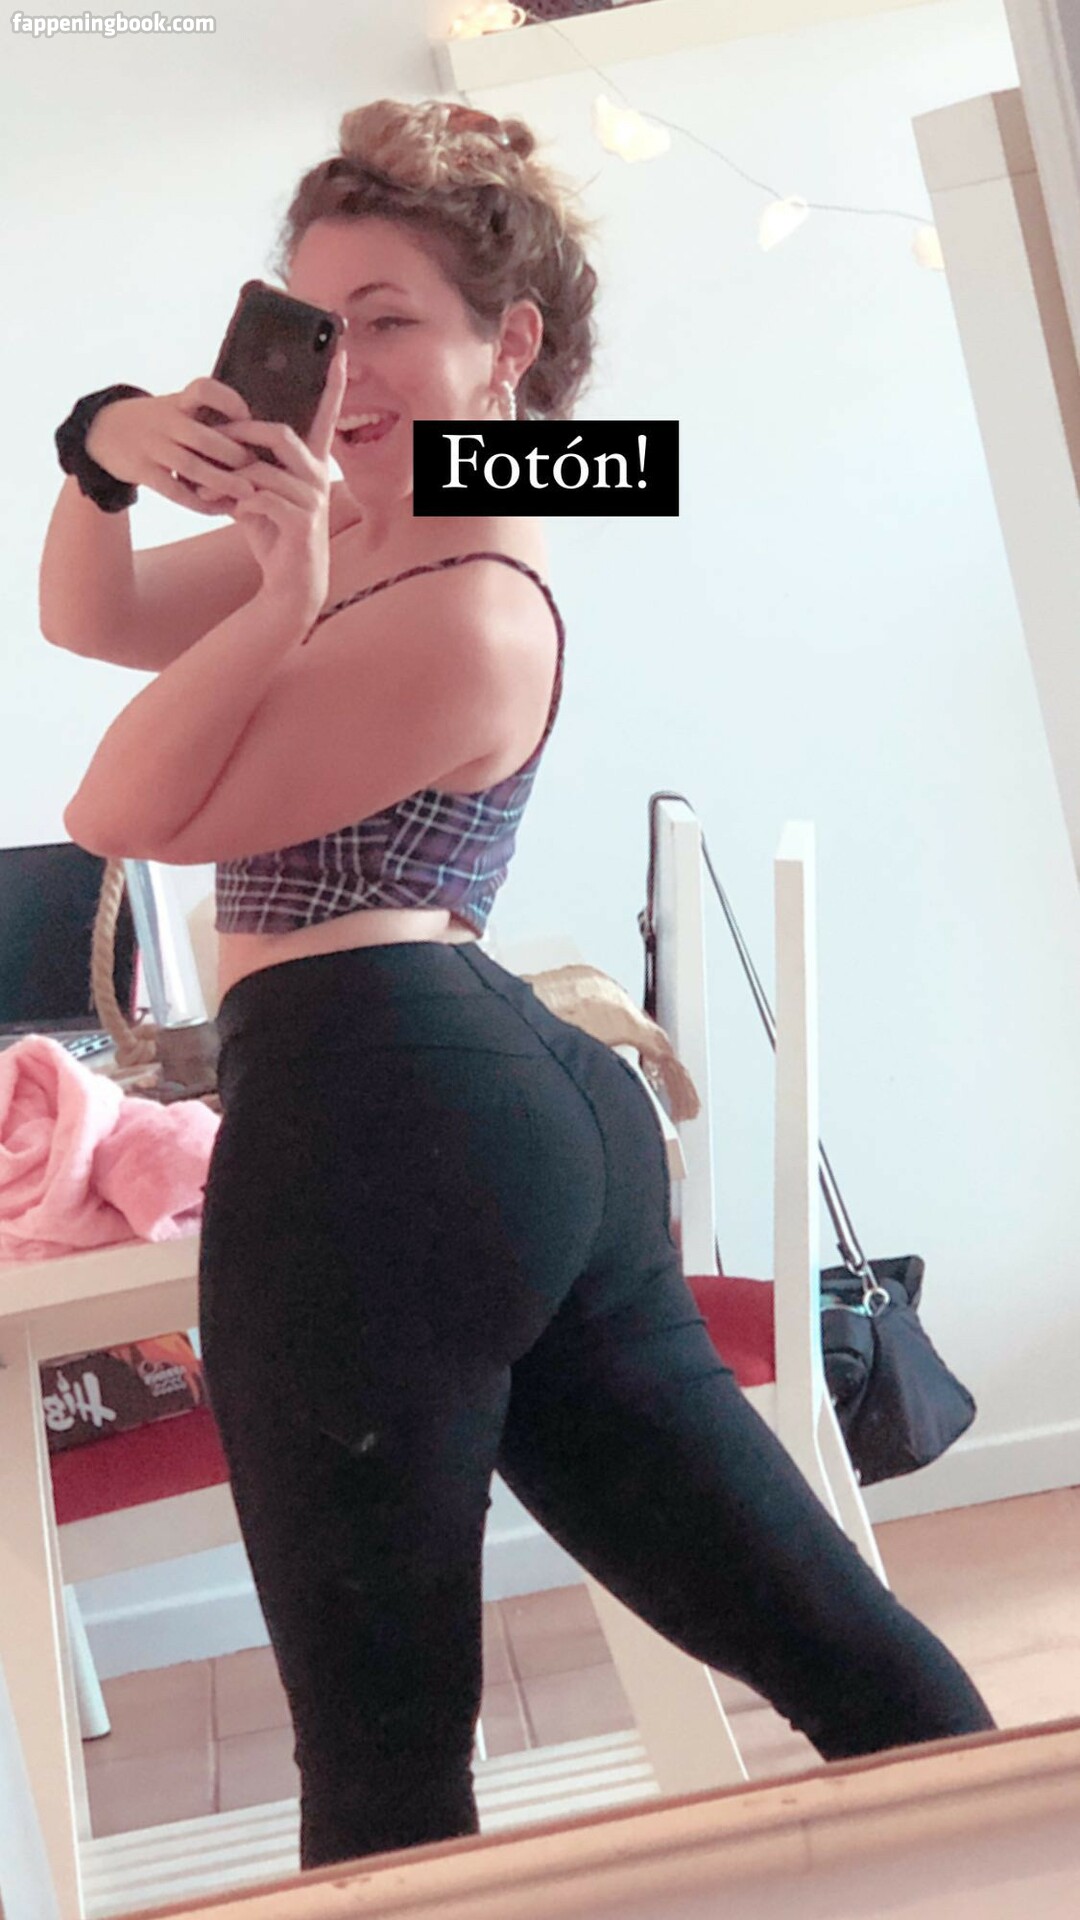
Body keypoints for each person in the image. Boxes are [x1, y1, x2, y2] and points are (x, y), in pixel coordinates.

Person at [44, 96, 994, 1874]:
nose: (344, 369)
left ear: (512, 342)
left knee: (382, 1767)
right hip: (494, 1107)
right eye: (316, 325)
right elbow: (88, 621)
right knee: (823, 1643)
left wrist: (282, 584)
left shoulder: (459, 596)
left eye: (390, 320)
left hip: (382, 1117)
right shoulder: (400, 504)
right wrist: (104, 442)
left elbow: (119, 809)